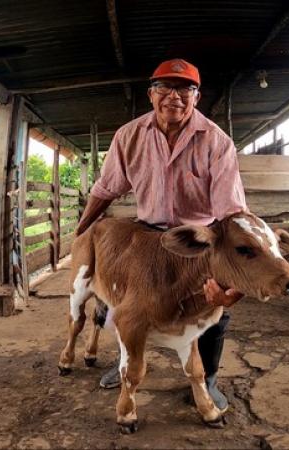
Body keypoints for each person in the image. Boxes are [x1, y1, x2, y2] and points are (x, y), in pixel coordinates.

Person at [75, 58, 246, 412]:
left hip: (199, 238)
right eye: (165, 87)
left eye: (186, 89)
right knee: (117, 299)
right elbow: (106, 189)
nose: (175, 96)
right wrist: (81, 230)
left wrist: (233, 275)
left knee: (214, 306)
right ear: (151, 94)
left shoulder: (217, 141)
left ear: (197, 97)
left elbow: (230, 211)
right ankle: (123, 364)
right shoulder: (129, 135)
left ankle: (207, 378)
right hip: (147, 234)